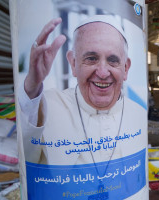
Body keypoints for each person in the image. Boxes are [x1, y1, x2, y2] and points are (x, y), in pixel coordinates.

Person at [19, 15, 147, 168]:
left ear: (125, 68)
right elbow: (25, 155)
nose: (103, 73)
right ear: (73, 63)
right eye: (91, 58)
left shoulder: (138, 113)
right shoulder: (47, 106)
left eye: (113, 60)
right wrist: (31, 86)